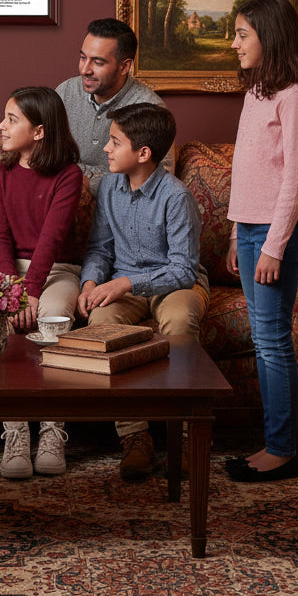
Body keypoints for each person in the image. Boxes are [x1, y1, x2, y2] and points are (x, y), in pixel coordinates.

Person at [77, 102, 208, 480]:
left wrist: (126, 283)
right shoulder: (109, 188)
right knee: (102, 322)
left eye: (115, 142)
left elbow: (183, 270)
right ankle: (135, 438)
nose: (106, 148)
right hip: (125, 282)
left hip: (175, 283)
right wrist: (90, 281)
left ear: (143, 153)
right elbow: (100, 248)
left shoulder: (176, 197)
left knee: (181, 321)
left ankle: (182, 436)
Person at [224, 0, 298, 483]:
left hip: (280, 232)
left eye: (243, 35)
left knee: (272, 341)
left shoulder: (294, 97)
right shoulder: (257, 94)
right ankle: (273, 444)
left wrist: (273, 246)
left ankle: (282, 451)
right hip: (252, 229)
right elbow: (252, 172)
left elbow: (294, 181)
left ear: (269, 37)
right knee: (263, 340)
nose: (234, 43)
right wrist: (238, 230)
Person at [0, 86, 83, 479]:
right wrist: (13, 291)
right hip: (11, 270)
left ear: (39, 131)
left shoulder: (68, 175)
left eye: (12, 119)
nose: (1, 126)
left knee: (55, 315)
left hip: (57, 268)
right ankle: (15, 432)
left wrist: (31, 292)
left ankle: (52, 429)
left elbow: (52, 238)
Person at [56, 18, 172, 195]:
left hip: (122, 212)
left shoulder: (151, 108)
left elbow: (158, 181)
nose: (84, 70)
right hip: (63, 201)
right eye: (83, 58)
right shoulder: (65, 92)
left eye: (98, 62)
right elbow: (42, 156)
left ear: (124, 66)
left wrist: (80, 178)